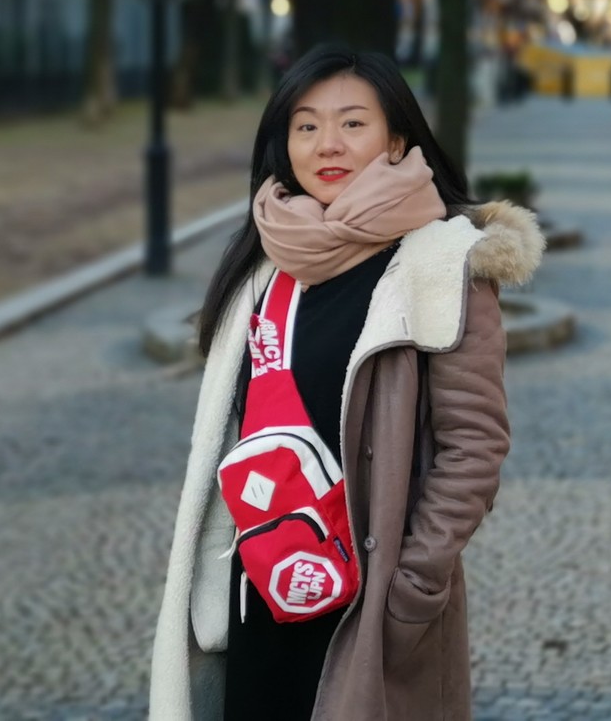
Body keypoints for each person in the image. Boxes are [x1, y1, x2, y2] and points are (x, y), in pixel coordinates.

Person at [149, 46, 544, 720]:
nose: (327, 143)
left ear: (396, 138)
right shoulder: (264, 263)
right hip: (260, 591)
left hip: (371, 601)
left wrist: (409, 591)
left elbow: (474, 448)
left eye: (353, 123)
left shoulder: (443, 265)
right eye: (306, 125)